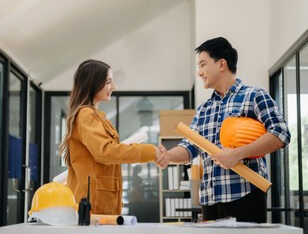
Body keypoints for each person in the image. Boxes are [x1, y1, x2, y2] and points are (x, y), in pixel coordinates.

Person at [155, 37, 291, 223]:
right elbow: (190, 147)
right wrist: (167, 156)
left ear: (221, 64)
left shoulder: (254, 96)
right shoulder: (204, 109)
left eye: (203, 64)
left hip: (246, 197)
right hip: (209, 201)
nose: (199, 72)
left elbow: (280, 133)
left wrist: (237, 154)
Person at [59, 59, 163, 215]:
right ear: (93, 83)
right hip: (93, 205)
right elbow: (106, 152)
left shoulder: (96, 117)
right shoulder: (86, 115)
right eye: (108, 82)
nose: (113, 87)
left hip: (100, 202)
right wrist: (149, 151)